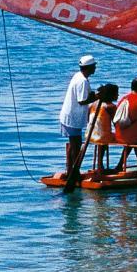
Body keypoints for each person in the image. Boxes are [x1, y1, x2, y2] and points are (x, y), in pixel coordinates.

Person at [58, 55, 100, 185]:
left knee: (74, 143)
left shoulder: (79, 76)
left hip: (70, 116)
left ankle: (72, 170)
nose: (95, 68)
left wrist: (96, 93)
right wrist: (98, 97)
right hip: (72, 117)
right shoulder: (82, 81)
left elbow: (86, 94)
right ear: (89, 67)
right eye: (94, 66)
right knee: (75, 145)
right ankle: (73, 172)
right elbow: (82, 100)